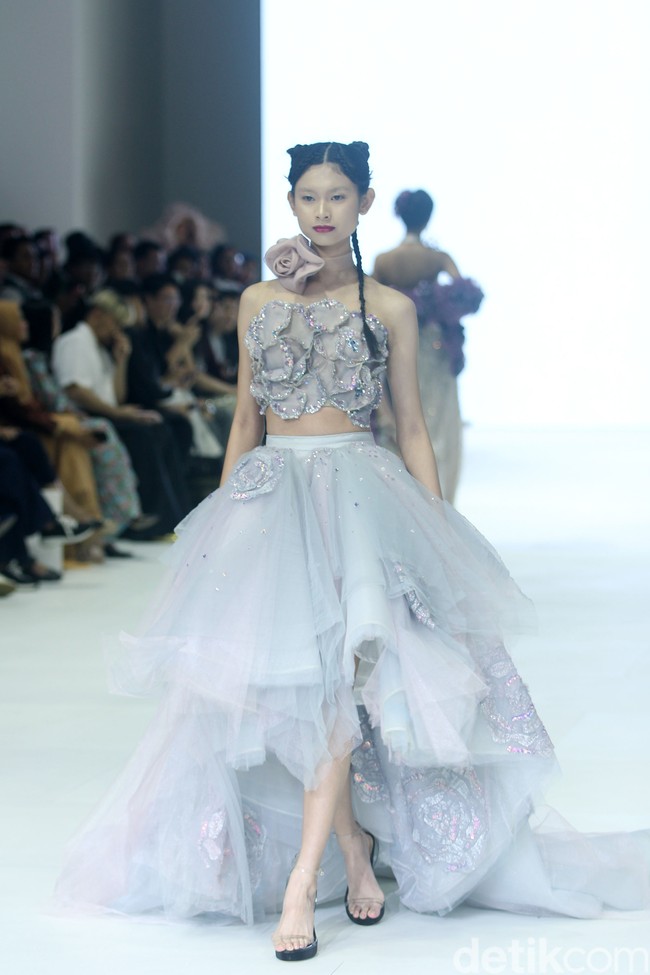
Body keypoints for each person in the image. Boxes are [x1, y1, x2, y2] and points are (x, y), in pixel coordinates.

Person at [55, 142, 650, 961]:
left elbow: (411, 425)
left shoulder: (391, 306)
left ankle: (304, 882)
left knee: (340, 680)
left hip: (363, 503)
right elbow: (245, 420)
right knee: (304, 689)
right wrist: (221, 528)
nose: (323, 211)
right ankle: (353, 848)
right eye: (308, 196)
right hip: (274, 501)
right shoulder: (257, 298)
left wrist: (436, 531)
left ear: (366, 202)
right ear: (291, 203)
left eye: (338, 195)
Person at [373, 190, 483, 504]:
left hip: (396, 344)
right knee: (438, 424)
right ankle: (439, 501)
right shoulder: (438, 258)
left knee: (402, 418)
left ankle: (405, 500)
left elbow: (370, 302)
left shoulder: (384, 260)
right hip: (434, 347)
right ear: (428, 217)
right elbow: (465, 294)